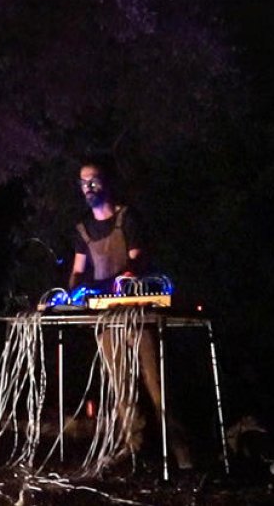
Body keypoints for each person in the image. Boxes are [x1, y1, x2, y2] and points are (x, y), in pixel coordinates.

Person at [67, 161, 192, 469]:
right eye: (83, 182)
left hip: (137, 314)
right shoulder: (82, 228)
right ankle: (134, 449)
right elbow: (77, 271)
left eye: (94, 181)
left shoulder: (127, 218)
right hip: (106, 319)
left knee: (155, 382)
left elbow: (136, 263)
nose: (88, 188)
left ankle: (182, 454)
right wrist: (72, 293)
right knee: (121, 384)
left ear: (106, 183)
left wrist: (123, 279)